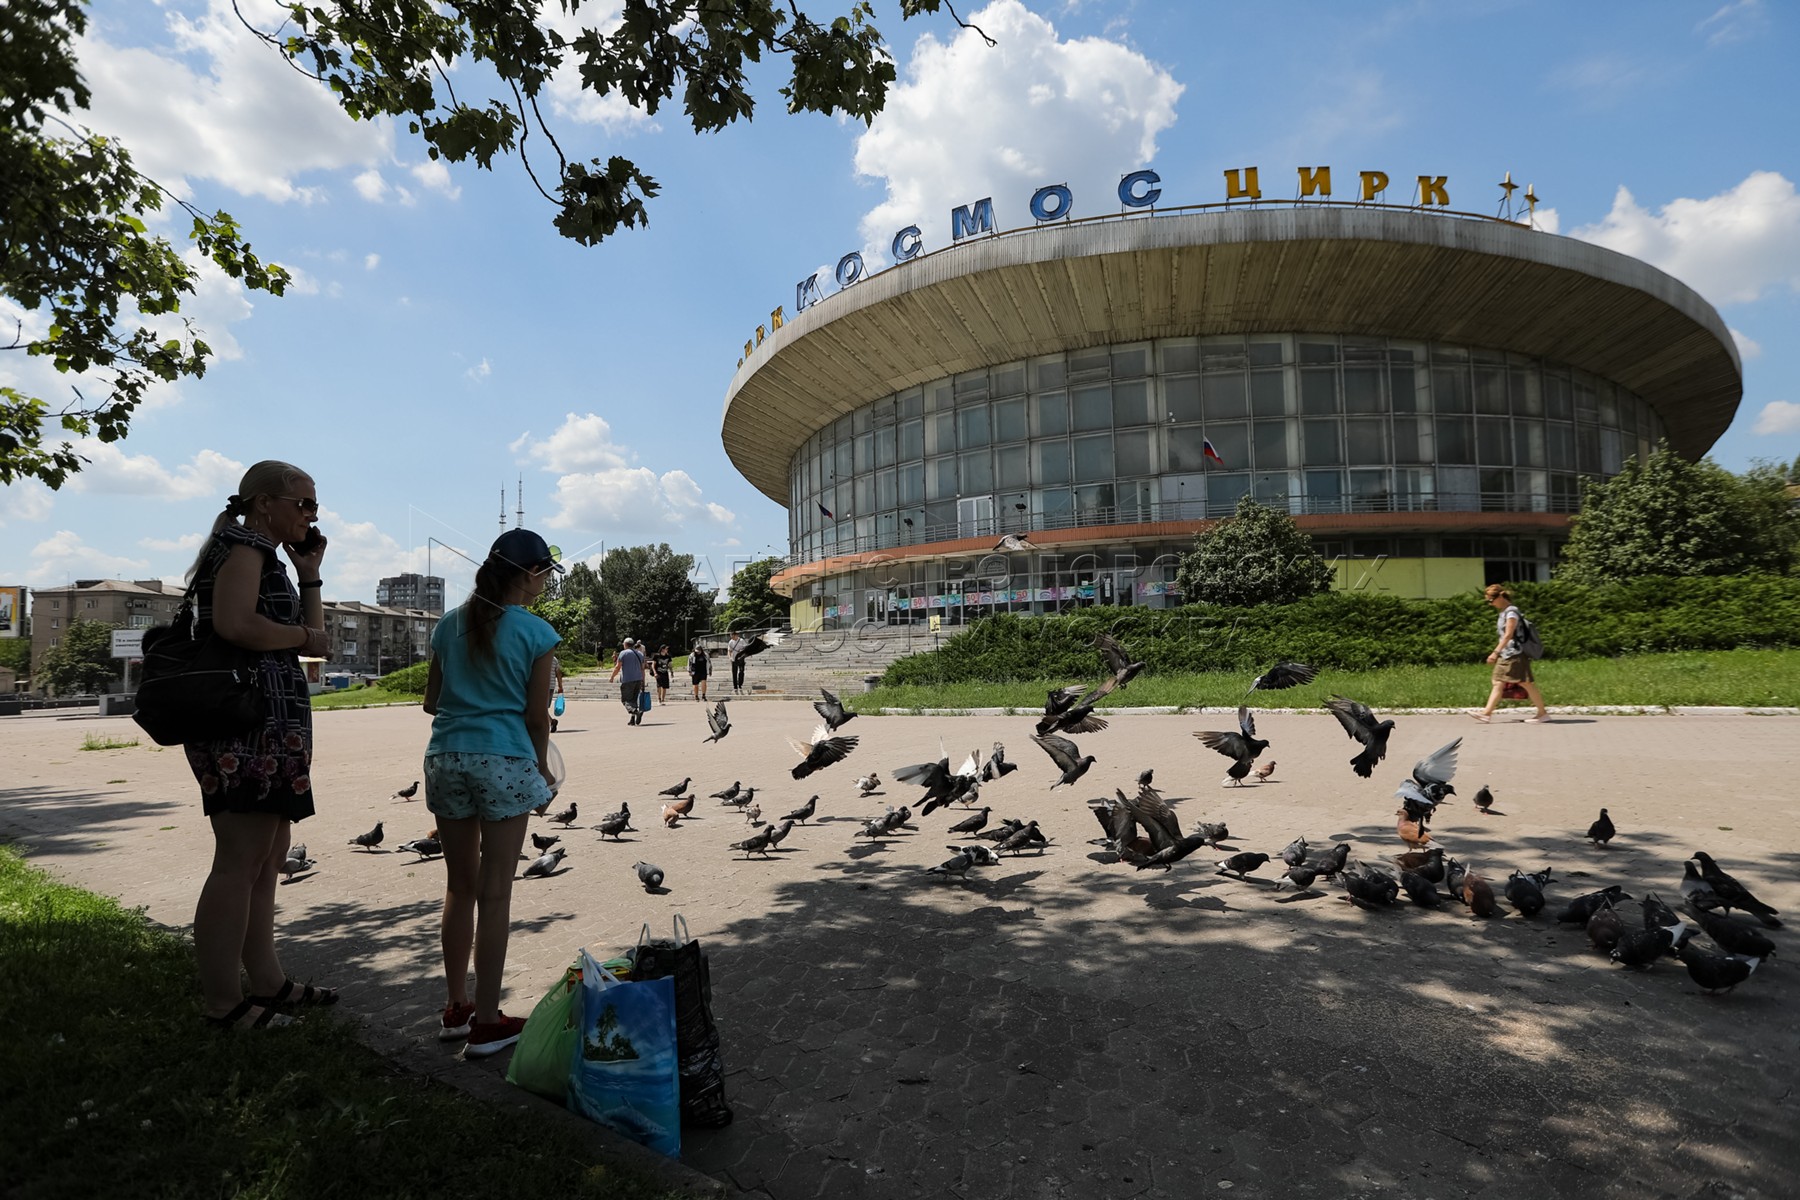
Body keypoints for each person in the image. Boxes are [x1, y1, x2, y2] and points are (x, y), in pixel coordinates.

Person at [188, 460, 335, 1030]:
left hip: (274, 724)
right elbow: (235, 625)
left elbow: (314, 644)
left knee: (269, 858)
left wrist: (310, 575)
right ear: (264, 503)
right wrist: (302, 634)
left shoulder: (267, 555)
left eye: (315, 507)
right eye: (303, 504)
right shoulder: (243, 548)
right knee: (239, 860)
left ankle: (268, 982)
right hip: (243, 727)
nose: (312, 515)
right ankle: (224, 1004)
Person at [422, 527, 564, 1057]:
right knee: (496, 891)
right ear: (529, 574)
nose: (547, 582)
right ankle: (486, 1022)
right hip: (503, 759)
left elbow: (432, 702)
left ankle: (456, 1007)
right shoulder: (537, 633)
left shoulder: (447, 625)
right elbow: (535, 718)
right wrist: (543, 773)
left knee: (459, 886)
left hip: (444, 757)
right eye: (546, 572)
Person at [1473, 583, 1548, 724]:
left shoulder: (1511, 612)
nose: (1490, 604)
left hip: (1513, 653)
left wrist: (1495, 652)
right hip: (1508, 653)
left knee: (1517, 683)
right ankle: (1487, 713)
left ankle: (1487, 713)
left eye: (1491, 600)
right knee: (1504, 682)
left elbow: (1508, 635)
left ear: (1500, 596)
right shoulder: (1505, 612)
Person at [609, 636, 647, 725]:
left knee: (625, 700)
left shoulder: (623, 653)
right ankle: (632, 719)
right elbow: (643, 669)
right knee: (633, 699)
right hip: (638, 679)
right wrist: (643, 680)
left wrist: (612, 677)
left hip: (627, 680)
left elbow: (618, 667)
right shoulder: (640, 654)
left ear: (625, 644)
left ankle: (635, 712)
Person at [549, 654, 565, 732]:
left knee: (539, 707)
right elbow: (558, 673)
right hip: (551, 686)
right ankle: (551, 722)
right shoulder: (554, 659)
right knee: (543, 708)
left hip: (541, 687)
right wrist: (560, 686)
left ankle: (552, 722)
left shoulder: (539, 656)